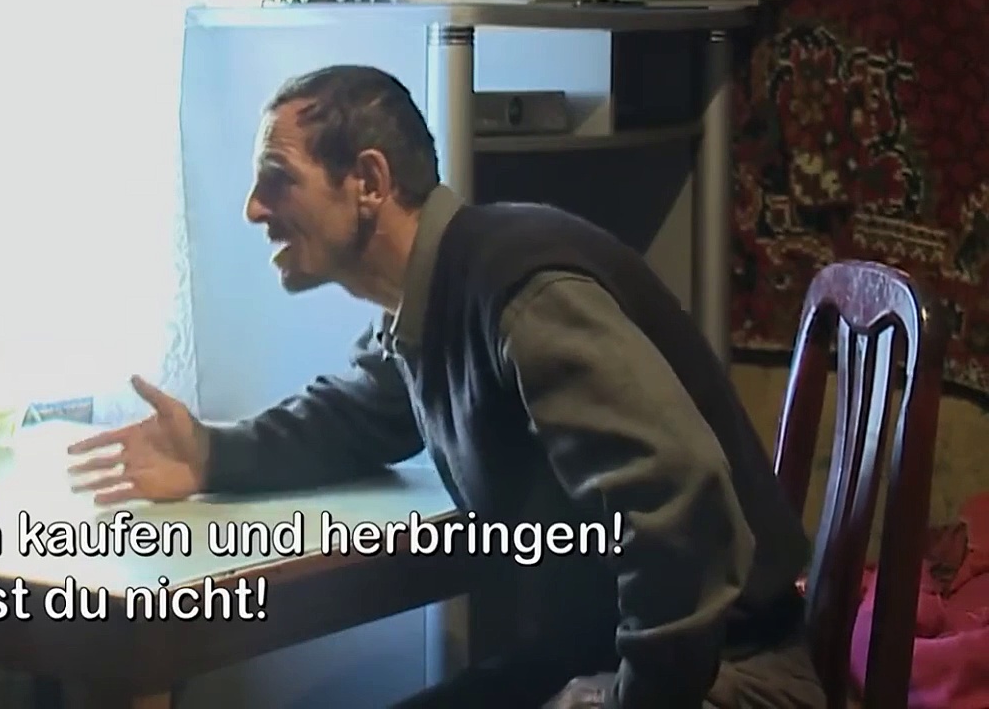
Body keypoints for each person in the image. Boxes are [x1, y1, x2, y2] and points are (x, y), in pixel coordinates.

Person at [66, 66, 825, 709]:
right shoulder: (435, 300)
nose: (254, 209)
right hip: (598, 661)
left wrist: (635, 698)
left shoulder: (519, 294)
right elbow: (352, 415)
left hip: (731, 673)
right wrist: (212, 454)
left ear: (369, 182)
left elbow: (680, 502)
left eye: (278, 180)